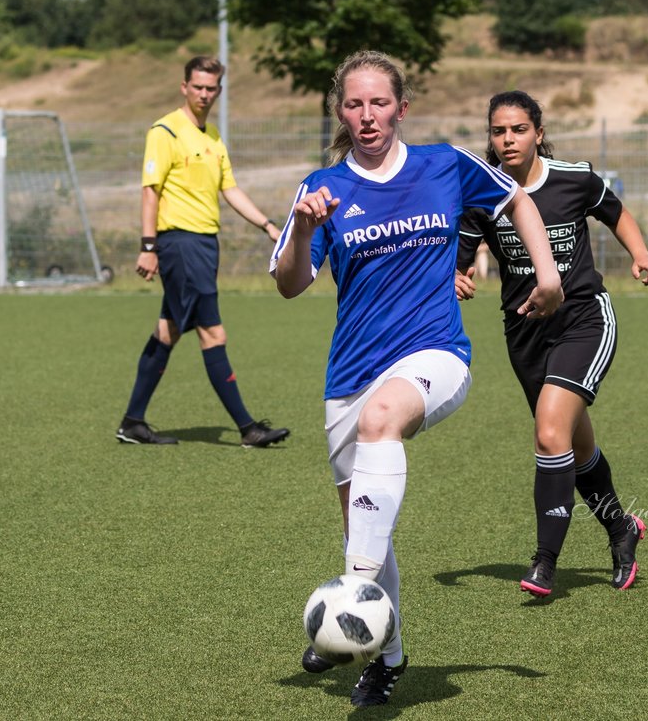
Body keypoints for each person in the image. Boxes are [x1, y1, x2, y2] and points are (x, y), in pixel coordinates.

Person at [271, 52, 563, 708]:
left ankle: (347, 599)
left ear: (401, 108)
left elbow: (518, 200)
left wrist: (548, 276)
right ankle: (389, 658)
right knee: (363, 526)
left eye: (379, 103)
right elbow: (290, 284)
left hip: (436, 355)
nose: (366, 115)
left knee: (382, 426)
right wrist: (303, 230)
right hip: (350, 372)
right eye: (353, 104)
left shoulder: (444, 164)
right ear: (339, 112)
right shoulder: (321, 188)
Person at [455, 91, 648, 599]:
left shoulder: (575, 177)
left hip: (583, 320)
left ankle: (545, 561)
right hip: (524, 332)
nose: (508, 140)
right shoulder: (481, 192)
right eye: (499, 131)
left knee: (550, 434)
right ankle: (622, 529)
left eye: (519, 129)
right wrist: (454, 278)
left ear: (539, 133)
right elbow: (457, 258)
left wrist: (641, 255)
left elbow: (617, 213)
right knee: (572, 444)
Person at [116, 56, 291, 447]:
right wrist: (148, 247)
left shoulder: (212, 136)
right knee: (213, 333)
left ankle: (132, 422)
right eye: (198, 87)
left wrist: (266, 225)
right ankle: (248, 429)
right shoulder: (165, 131)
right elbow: (150, 192)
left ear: (219, 91)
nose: (204, 94)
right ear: (184, 87)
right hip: (180, 243)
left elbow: (230, 189)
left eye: (211, 88)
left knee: (169, 329)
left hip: (204, 245)